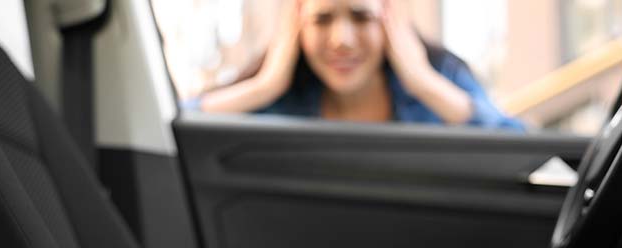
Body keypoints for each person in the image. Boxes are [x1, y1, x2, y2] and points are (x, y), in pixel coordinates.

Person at [185, 0, 524, 130]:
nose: (342, 39)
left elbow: (520, 148)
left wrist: (424, 83)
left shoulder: (440, 77)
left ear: (388, 19)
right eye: (322, 19)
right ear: (297, 24)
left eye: (361, 17)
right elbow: (169, 127)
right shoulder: (277, 98)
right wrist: (264, 87)